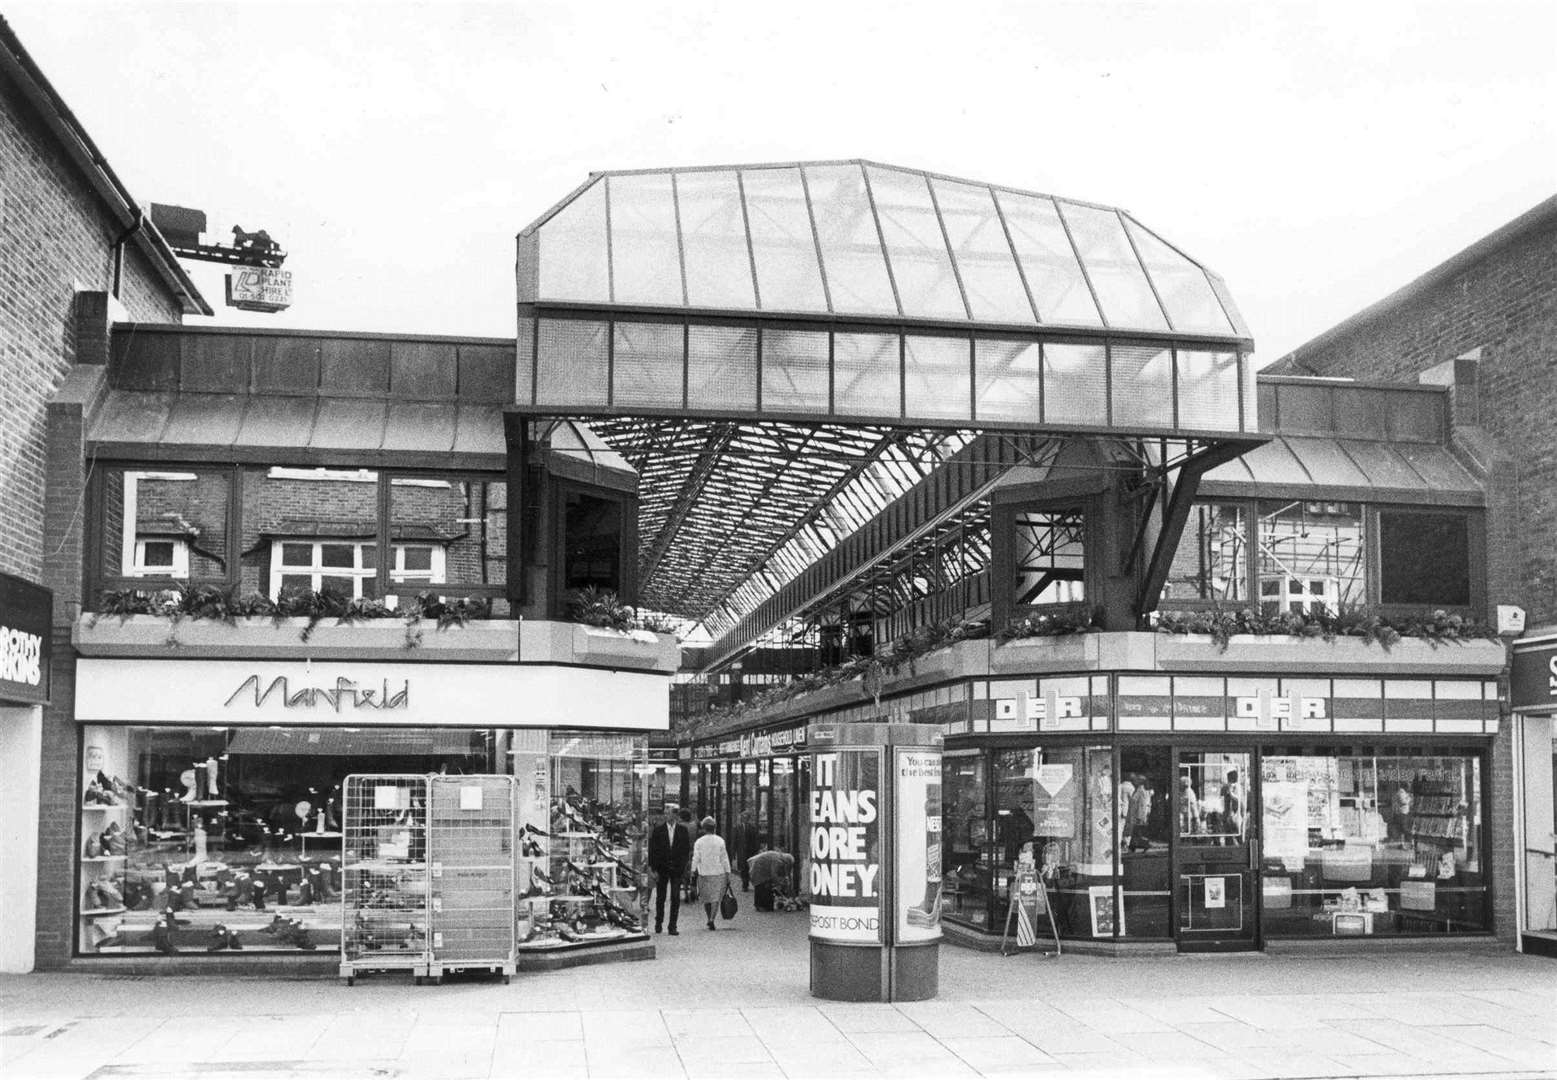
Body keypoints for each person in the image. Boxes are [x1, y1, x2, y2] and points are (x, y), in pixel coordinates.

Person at [645, 805, 691, 934]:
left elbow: (685, 850)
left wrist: (682, 866)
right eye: (665, 813)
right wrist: (653, 869)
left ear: (675, 815)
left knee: (675, 897)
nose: (666, 816)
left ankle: (672, 926)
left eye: (669, 813)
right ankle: (658, 923)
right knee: (661, 897)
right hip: (662, 868)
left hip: (676, 868)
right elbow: (653, 851)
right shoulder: (658, 830)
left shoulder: (682, 830)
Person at [690, 816, 732, 930]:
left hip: (704, 873)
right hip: (718, 872)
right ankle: (712, 919)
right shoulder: (720, 841)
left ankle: (709, 917)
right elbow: (724, 858)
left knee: (706, 898)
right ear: (714, 828)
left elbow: (696, 857)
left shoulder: (699, 842)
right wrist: (728, 872)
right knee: (715, 898)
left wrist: (693, 870)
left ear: (704, 828)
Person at [746, 841, 796, 912]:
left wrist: (783, 880)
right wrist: (779, 883)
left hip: (758, 868)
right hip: (758, 870)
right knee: (762, 886)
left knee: (761, 886)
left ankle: (760, 905)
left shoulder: (779, 857)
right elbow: (773, 874)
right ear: (787, 861)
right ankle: (762, 906)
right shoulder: (777, 860)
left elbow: (780, 873)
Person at [733, 811, 760, 891]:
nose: (745, 819)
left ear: (748, 818)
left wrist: (756, 850)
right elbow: (735, 840)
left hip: (750, 852)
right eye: (743, 817)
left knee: (749, 868)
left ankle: (748, 883)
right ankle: (745, 885)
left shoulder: (753, 828)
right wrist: (734, 851)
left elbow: (756, 840)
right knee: (742, 868)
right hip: (741, 852)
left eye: (746, 817)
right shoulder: (737, 828)